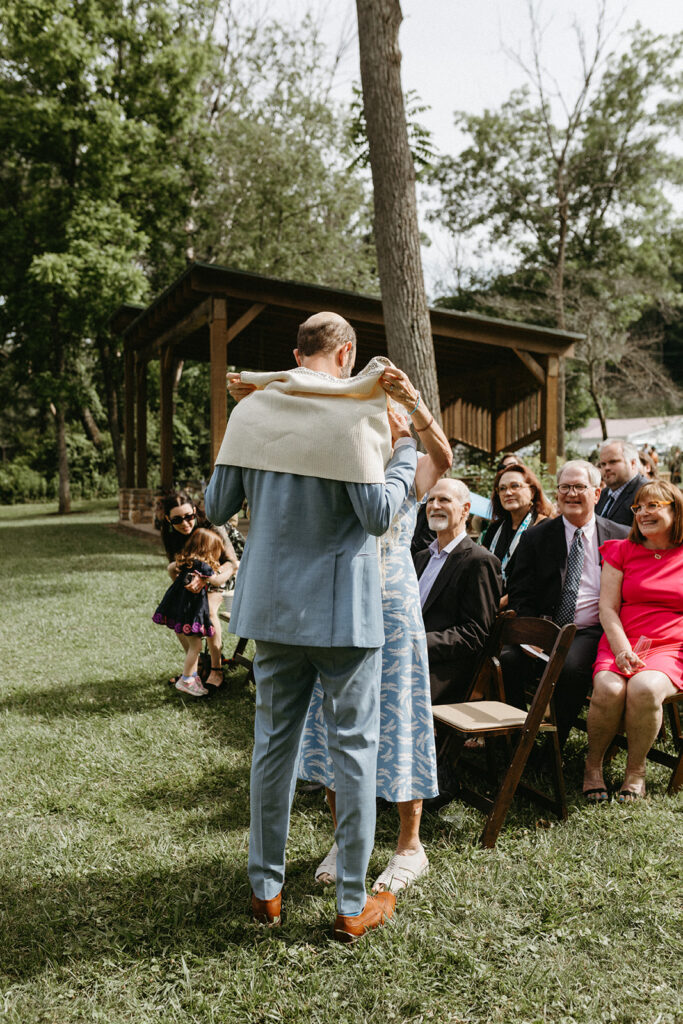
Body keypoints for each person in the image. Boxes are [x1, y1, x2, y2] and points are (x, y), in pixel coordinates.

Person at [204, 312, 418, 941]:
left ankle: (265, 890)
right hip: (342, 613)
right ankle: (352, 904)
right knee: (354, 751)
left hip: (270, 607)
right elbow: (379, 514)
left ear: (294, 352)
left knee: (273, 747)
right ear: (346, 353)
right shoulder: (356, 414)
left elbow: (215, 507)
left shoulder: (254, 411)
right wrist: (403, 450)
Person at [298, 365, 452, 895]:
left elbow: (446, 458)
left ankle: (410, 846)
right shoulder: (342, 465)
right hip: (338, 606)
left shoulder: (407, 471)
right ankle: (346, 837)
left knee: (400, 716)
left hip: (392, 607)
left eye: (385, 417)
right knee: (337, 719)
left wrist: (412, 405)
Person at [505, 460, 629, 750]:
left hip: (590, 630)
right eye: (564, 487)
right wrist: (531, 630)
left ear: (597, 494)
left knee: (571, 668)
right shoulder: (536, 537)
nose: (571, 494)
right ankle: (513, 740)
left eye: (579, 487)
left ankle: (554, 744)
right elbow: (520, 590)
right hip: (544, 626)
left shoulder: (620, 536)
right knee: (508, 659)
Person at [583, 480, 683, 802]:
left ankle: (635, 770)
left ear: (676, 509)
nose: (643, 513)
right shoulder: (621, 550)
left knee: (645, 688)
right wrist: (621, 648)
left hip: (671, 647)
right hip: (621, 640)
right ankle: (593, 765)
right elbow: (607, 608)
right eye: (639, 507)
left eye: (653, 506)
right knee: (610, 689)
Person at [415, 477, 502, 706]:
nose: (434, 506)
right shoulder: (421, 558)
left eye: (444, 500)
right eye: (431, 500)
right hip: (407, 655)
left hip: (445, 670)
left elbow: (475, 633)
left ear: (465, 509)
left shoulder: (480, 562)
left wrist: (417, 643)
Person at [157, 493, 238, 688]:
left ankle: (216, 669)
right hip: (195, 575)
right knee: (180, 611)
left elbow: (232, 562)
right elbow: (176, 565)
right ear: (168, 519)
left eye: (188, 517)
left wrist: (207, 578)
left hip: (225, 572)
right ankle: (197, 665)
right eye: (177, 520)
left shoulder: (212, 524)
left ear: (194, 511)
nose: (184, 523)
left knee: (208, 611)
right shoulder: (169, 533)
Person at [153, 528, 225, 696]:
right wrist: (232, 569)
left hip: (178, 611)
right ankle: (186, 680)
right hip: (189, 615)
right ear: (208, 551)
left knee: (194, 645)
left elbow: (171, 567)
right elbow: (216, 579)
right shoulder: (203, 567)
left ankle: (193, 677)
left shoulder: (186, 563)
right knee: (196, 646)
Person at [480, 463, 552, 592]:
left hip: (526, 606)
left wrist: (499, 604)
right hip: (490, 600)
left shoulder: (546, 528)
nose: (507, 492)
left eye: (515, 486)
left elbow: (540, 579)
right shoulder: (494, 528)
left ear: (532, 491)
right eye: (502, 488)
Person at [595, 439, 648, 526]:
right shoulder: (603, 494)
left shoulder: (645, 493)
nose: (606, 468)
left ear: (632, 463)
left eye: (613, 462)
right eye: (603, 464)